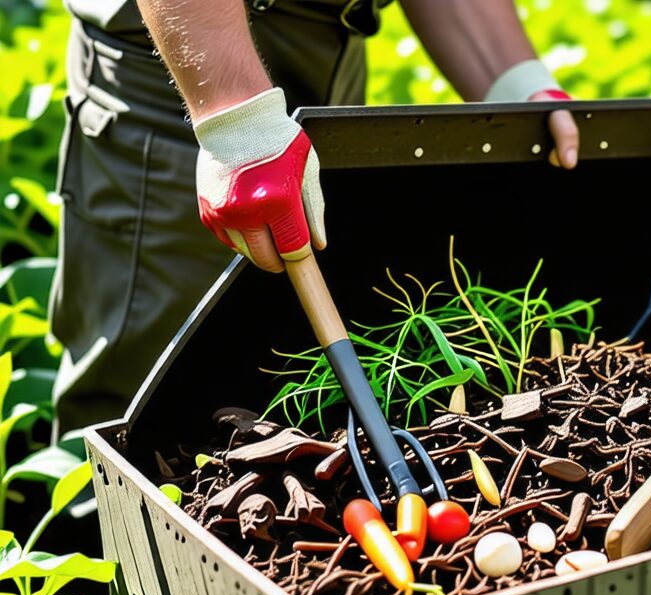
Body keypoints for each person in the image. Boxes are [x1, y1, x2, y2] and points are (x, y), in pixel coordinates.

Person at [52, 0, 583, 433]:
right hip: (182, 62)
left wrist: (510, 81)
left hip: (328, 62)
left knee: (269, 378)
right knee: (147, 405)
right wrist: (234, 116)